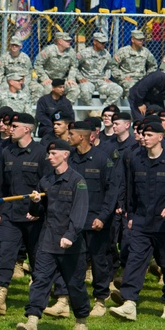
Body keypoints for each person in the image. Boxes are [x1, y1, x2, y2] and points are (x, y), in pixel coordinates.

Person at [109, 120, 165, 321]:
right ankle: (129, 303)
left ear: (160, 137)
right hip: (141, 222)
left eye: (150, 135)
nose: (145, 138)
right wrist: (130, 216)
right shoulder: (136, 159)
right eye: (143, 135)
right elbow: (131, 190)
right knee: (134, 261)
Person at [16, 139, 90, 330]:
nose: (49, 157)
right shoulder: (46, 181)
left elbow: (80, 213)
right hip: (48, 241)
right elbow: (36, 213)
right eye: (49, 154)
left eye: (54, 153)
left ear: (65, 155)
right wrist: (35, 203)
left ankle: (81, 321)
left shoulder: (77, 181)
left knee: (75, 285)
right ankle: (32, 321)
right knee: (40, 280)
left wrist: (70, 236)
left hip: (71, 245)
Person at [0, 113, 49, 315]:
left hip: (34, 216)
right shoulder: (7, 152)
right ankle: (0, 297)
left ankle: (39, 298)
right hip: (11, 214)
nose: (10, 129)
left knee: (38, 258)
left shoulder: (41, 153)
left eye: (14, 126)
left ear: (27, 129)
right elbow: (1, 184)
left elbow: (48, 186)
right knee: (4, 254)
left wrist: (39, 210)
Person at [68, 120, 122, 317]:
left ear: (82, 137)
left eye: (71, 134)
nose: (68, 137)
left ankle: (100, 299)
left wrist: (103, 217)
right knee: (75, 262)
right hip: (74, 221)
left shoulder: (102, 159)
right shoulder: (69, 158)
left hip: (96, 221)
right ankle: (75, 299)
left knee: (99, 261)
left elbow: (112, 191)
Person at [110, 29, 157, 97]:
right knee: (131, 87)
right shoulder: (123, 51)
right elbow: (113, 66)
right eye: (139, 40)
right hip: (127, 79)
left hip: (141, 79)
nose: (141, 41)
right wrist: (122, 77)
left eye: (142, 39)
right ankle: (129, 103)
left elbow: (153, 65)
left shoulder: (145, 52)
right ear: (132, 40)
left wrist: (148, 77)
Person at [35, 32, 78, 101]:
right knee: (49, 89)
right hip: (49, 79)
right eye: (66, 41)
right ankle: (50, 107)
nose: (69, 42)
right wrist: (44, 78)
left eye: (69, 40)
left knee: (74, 89)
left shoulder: (71, 51)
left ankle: (65, 106)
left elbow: (74, 66)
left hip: (62, 80)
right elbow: (38, 64)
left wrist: (71, 78)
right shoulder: (48, 50)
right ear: (60, 41)